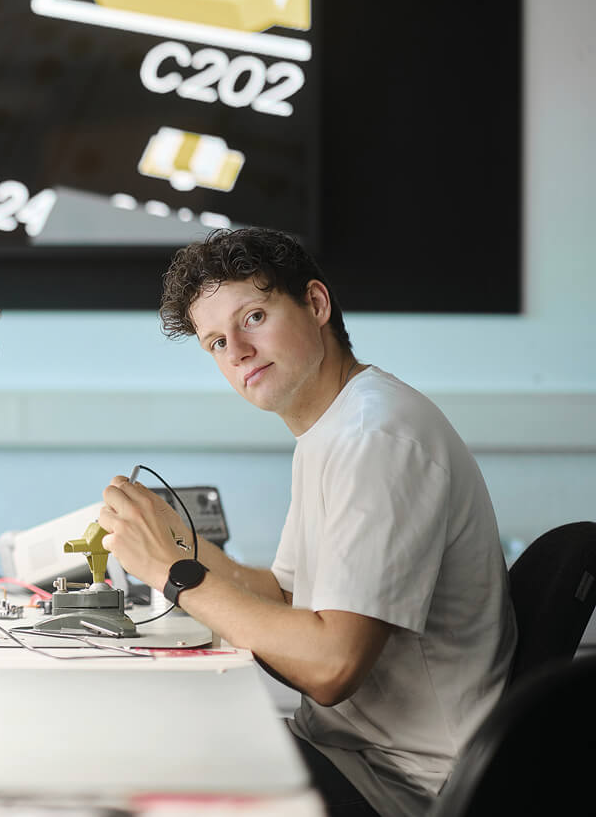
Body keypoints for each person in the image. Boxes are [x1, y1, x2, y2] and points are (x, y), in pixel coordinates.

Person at [98, 228, 516, 817]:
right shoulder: (333, 426)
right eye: (215, 342)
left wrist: (174, 573)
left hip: (401, 787)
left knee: (134, 757)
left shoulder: (377, 438)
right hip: (349, 751)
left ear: (316, 304)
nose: (238, 351)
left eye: (254, 317)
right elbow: (284, 594)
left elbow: (330, 666)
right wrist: (173, 539)